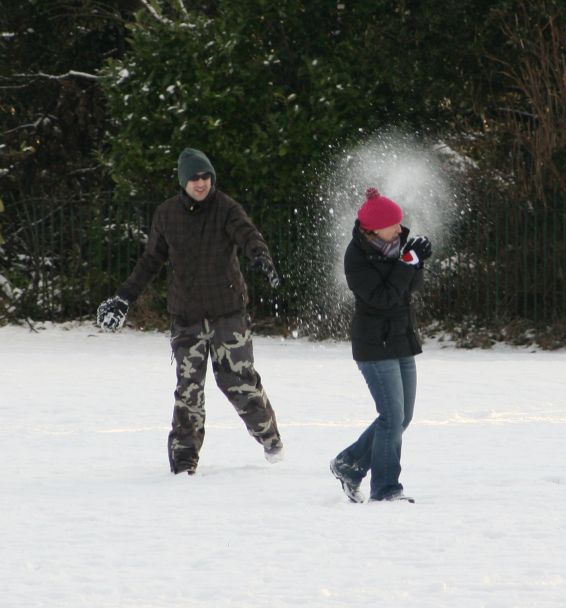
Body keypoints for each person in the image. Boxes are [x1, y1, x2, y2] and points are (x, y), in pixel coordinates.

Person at [97, 148, 284, 475]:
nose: (201, 183)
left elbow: (247, 234)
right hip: (187, 317)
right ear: (184, 181)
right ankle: (184, 463)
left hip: (228, 314)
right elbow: (151, 260)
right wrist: (124, 297)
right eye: (195, 178)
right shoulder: (167, 214)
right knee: (188, 391)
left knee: (238, 384)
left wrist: (260, 256)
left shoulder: (226, 208)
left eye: (206, 176)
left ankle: (269, 438)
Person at [330, 187, 431, 502]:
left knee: (403, 417)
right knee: (390, 416)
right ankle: (387, 489)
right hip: (374, 344)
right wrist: (406, 264)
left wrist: (417, 263)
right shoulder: (356, 257)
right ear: (372, 228)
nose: (400, 229)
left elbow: (408, 289)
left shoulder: (396, 247)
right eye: (394, 224)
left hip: (401, 339)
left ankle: (349, 463)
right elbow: (382, 299)